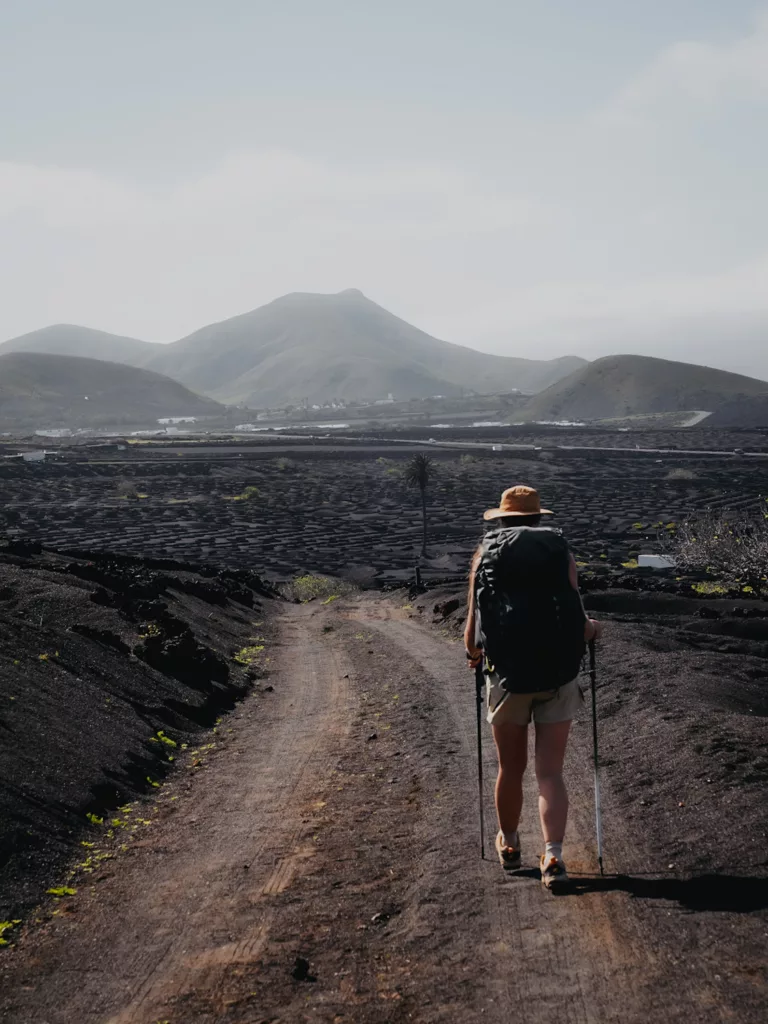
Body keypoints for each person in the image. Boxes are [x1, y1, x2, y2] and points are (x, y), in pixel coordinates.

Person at [463, 485, 602, 892]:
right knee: (550, 772)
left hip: (506, 677)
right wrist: (594, 631)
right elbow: (580, 621)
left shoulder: (485, 556)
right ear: (539, 518)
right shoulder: (561, 553)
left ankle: (508, 844)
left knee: (511, 768)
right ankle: (554, 854)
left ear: (502, 519)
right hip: (558, 675)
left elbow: (472, 635)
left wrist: (475, 654)